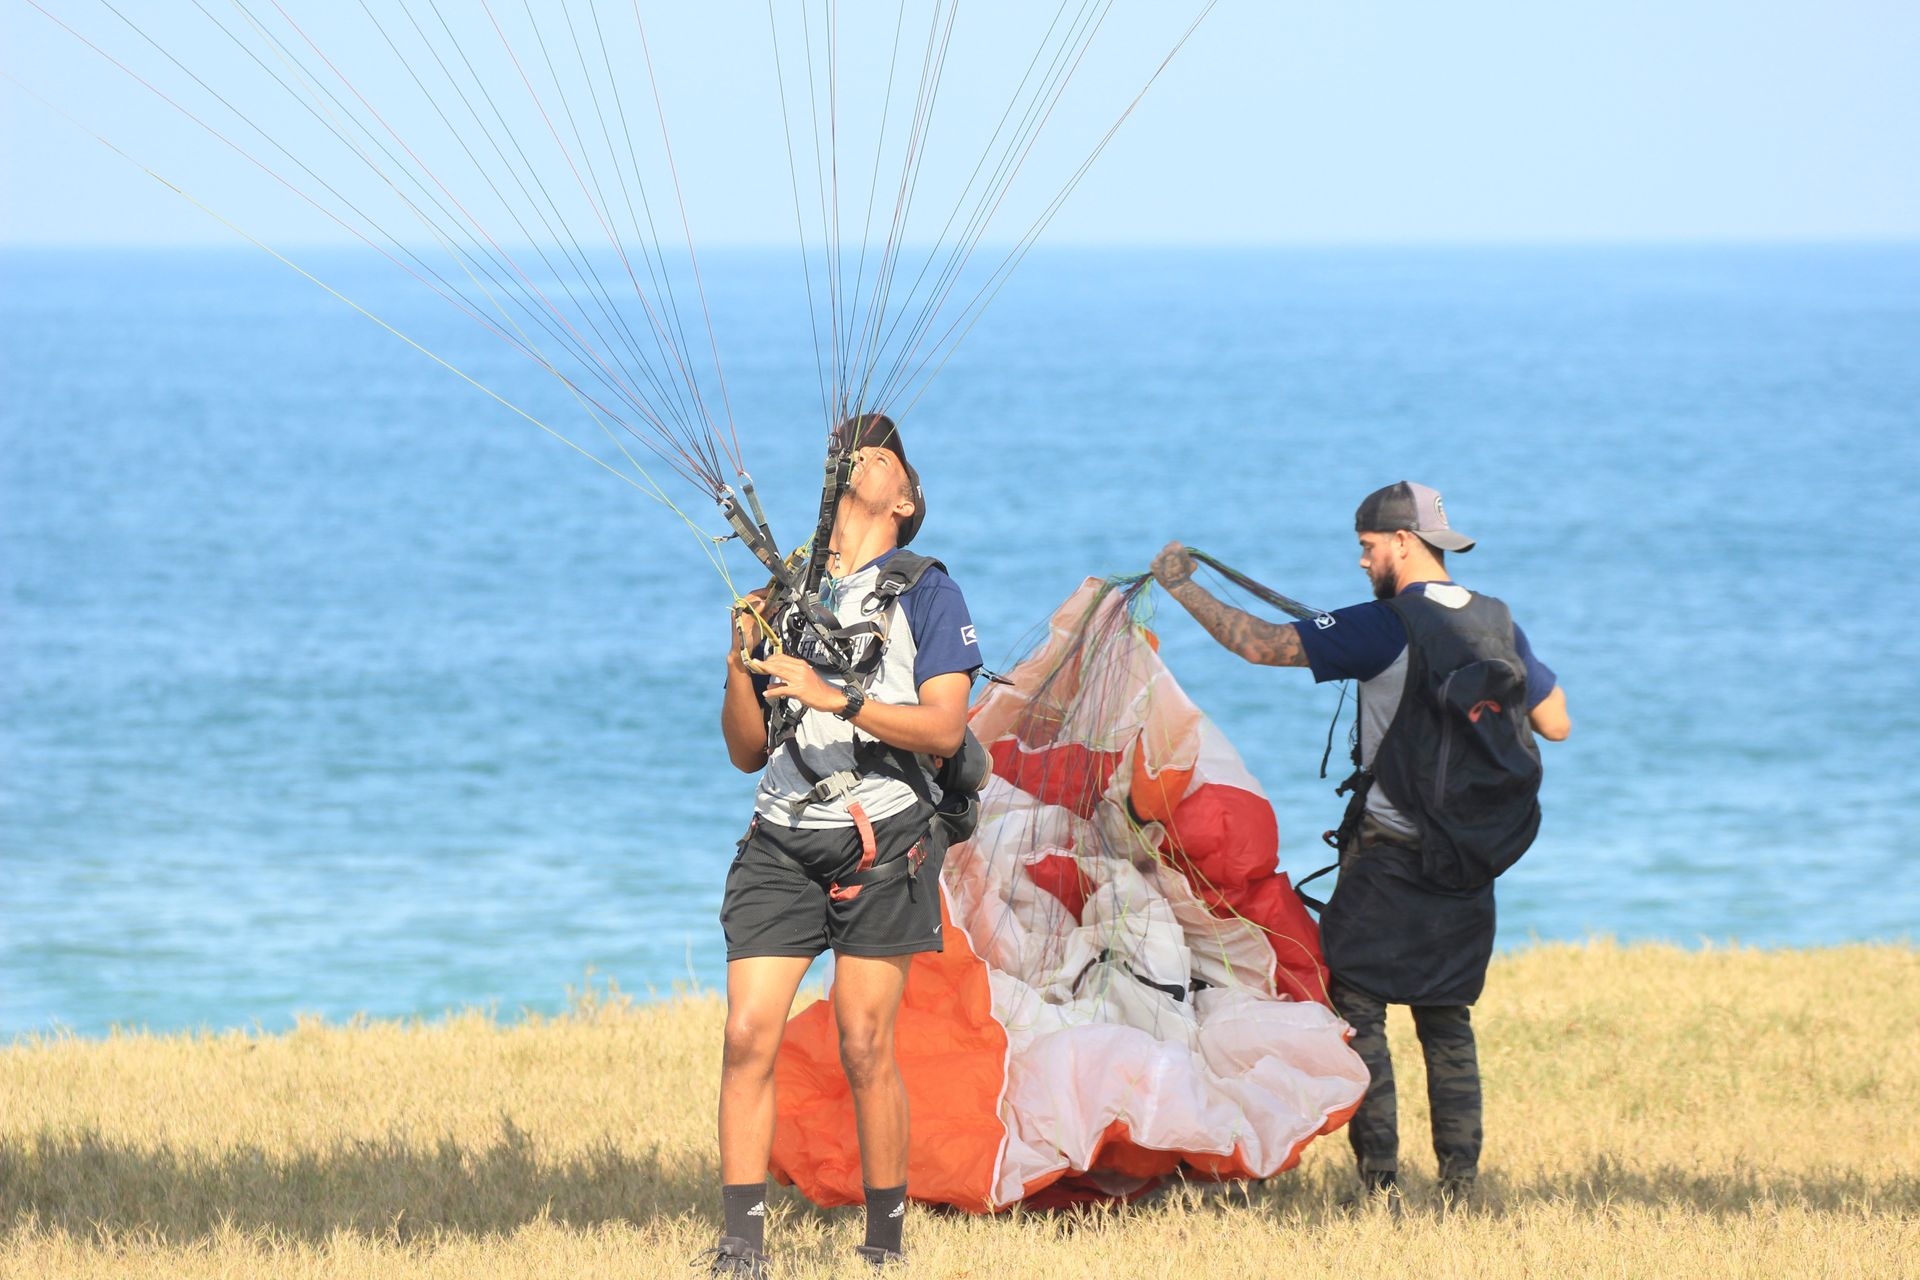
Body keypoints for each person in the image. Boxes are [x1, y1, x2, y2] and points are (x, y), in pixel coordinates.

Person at [1150, 481, 1570, 1208]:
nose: (1364, 562)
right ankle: (1460, 1185)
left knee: (1358, 1005)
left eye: (1369, 548)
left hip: (1390, 859)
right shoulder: (1496, 621)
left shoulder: (1388, 625)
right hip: (1470, 861)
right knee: (1447, 1018)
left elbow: (1260, 646)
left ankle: (1378, 1185)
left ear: (1404, 543)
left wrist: (1182, 587)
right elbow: (1556, 722)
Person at [702, 414, 982, 1276]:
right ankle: (741, 1246)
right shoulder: (789, 592)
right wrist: (742, 658)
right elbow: (746, 748)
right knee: (748, 1034)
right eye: (851, 448)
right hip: (784, 833)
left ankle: (885, 1243)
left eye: (883, 453)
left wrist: (837, 698)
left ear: (905, 497)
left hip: (884, 837)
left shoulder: (928, 592)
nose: (859, 453)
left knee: (864, 1041)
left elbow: (943, 728)